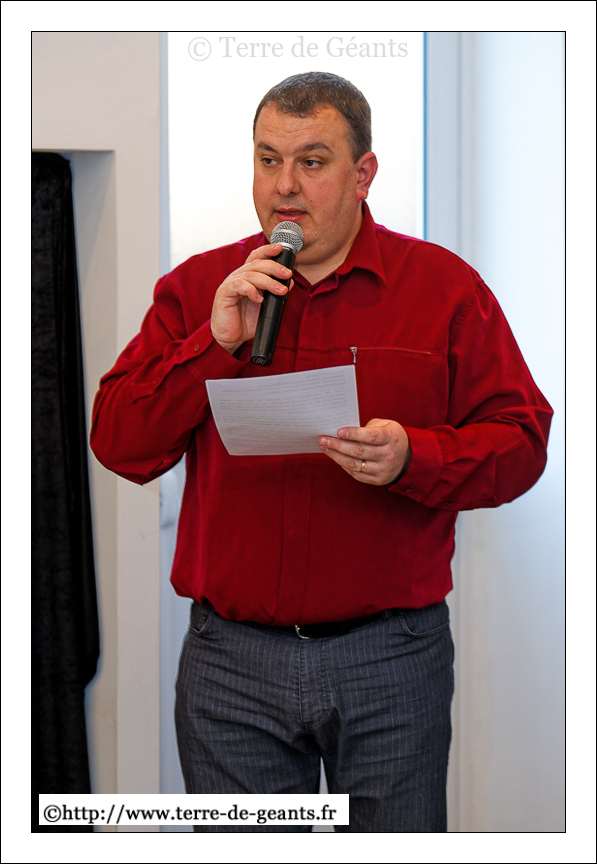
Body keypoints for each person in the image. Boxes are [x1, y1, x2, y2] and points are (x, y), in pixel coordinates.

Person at [90, 72, 553, 832]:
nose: (284, 186)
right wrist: (214, 345)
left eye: (311, 162)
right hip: (231, 666)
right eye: (268, 160)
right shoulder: (201, 287)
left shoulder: (443, 288)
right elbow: (119, 443)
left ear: (363, 174)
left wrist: (415, 456)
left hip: (390, 658)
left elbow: (523, 440)